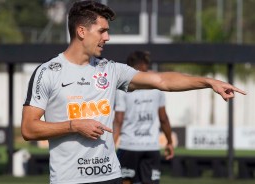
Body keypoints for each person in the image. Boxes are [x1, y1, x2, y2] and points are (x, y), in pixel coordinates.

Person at [21, 1, 245, 184]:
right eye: (102, 31)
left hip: (110, 177)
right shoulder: (47, 72)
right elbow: (29, 128)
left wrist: (207, 81)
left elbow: (162, 81)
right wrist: (74, 125)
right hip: (68, 180)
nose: (107, 37)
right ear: (81, 31)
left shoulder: (110, 69)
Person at [113, 51, 174, 184]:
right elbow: (163, 118)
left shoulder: (123, 87)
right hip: (151, 147)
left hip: (129, 146)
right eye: (146, 64)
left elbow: (118, 120)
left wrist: (111, 146)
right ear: (142, 65)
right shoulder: (157, 86)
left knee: (125, 181)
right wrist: (169, 142)